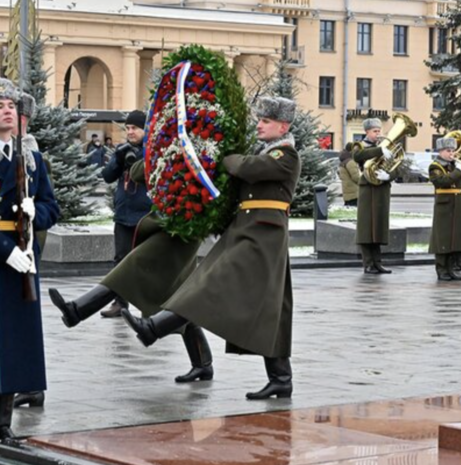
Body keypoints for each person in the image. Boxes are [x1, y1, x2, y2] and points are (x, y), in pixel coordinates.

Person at [122, 97, 300, 400]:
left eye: (266, 121)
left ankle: (154, 327)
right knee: (268, 308)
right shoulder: (268, 151)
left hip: (264, 237)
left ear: (282, 126)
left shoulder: (286, 155)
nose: (259, 124)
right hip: (246, 232)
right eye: (260, 119)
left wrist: (226, 157)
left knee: (210, 285)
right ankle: (281, 378)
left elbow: (247, 168)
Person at [48, 158, 210, 384]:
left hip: (187, 221)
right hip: (170, 221)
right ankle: (203, 364)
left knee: (131, 267)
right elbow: (136, 173)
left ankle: (78, 310)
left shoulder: (199, 144)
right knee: (180, 293)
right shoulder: (169, 143)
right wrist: (157, 149)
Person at [0, 78, 61, 439]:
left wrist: (35, 211)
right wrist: (6, 251)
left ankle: (3, 423)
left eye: (11, 105)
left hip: (24, 258)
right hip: (7, 256)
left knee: (15, 342)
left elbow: (53, 207)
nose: (6, 110)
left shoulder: (33, 160)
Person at [100, 111, 152, 317]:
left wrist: (140, 156)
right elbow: (107, 176)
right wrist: (118, 159)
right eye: (128, 128)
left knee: (147, 261)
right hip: (123, 214)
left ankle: (151, 305)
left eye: (135, 128)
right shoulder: (123, 150)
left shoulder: (153, 150)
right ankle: (120, 303)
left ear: (145, 129)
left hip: (146, 216)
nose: (130, 132)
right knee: (120, 260)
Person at [353, 118, 396, 274]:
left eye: (379, 131)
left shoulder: (384, 146)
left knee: (378, 227)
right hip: (368, 189)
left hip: (381, 189)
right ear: (367, 132)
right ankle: (368, 263)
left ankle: (378, 263)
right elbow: (358, 156)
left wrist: (389, 176)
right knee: (367, 228)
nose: (378, 134)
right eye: (375, 131)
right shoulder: (360, 145)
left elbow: (396, 165)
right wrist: (379, 151)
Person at [428, 137, 461, 281]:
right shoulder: (435, 166)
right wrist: (458, 171)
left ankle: (451, 268)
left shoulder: (455, 165)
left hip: (458, 204)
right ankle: (441, 269)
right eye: (448, 151)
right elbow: (442, 182)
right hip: (444, 205)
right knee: (443, 238)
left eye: (453, 150)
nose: (451, 153)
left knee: (455, 238)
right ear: (440, 151)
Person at [338, 142, 360, 207]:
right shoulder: (350, 162)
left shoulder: (343, 161)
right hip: (354, 193)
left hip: (347, 193)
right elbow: (356, 177)